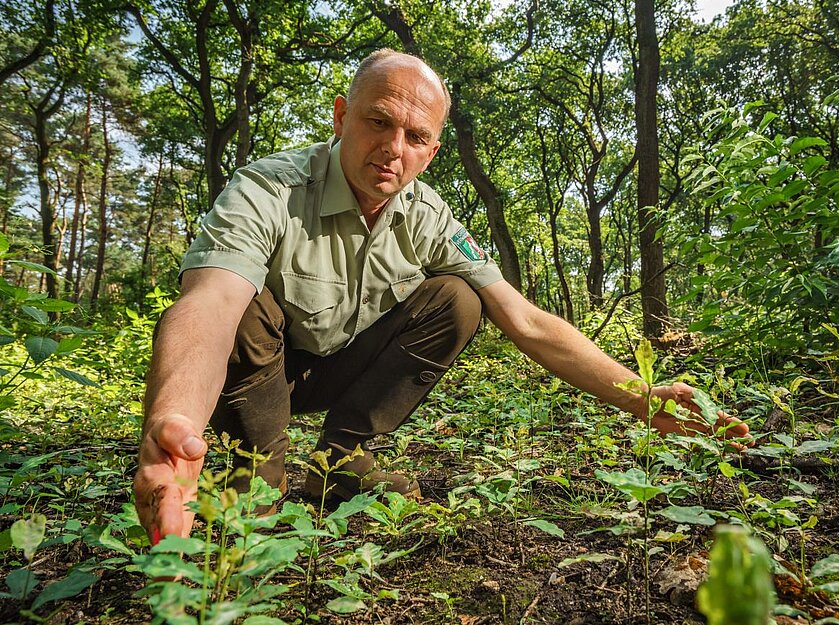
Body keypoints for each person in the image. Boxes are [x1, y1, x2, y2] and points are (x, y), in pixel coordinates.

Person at [133, 49, 749, 543]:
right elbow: (209, 303)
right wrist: (176, 419)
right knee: (246, 310)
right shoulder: (270, 188)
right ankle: (255, 470)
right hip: (255, 376)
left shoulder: (429, 216)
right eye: (378, 121)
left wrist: (641, 397)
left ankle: (343, 461)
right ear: (342, 116)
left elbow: (527, 321)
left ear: (431, 150)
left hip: (337, 368)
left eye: (415, 135)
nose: (392, 148)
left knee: (459, 298)